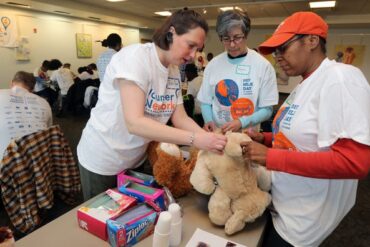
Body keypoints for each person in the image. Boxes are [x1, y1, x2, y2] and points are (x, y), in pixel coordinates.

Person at [242, 12, 370, 247]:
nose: (278, 57)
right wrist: (266, 137)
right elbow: (306, 137)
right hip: (282, 202)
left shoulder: (341, 78)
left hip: (302, 222)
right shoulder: (305, 84)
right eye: (275, 52)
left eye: (283, 48)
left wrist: (270, 157)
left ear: (312, 41)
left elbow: (355, 162)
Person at [77, 8, 227, 201]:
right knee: (102, 219)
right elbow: (135, 122)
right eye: (190, 45)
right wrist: (194, 139)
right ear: (171, 33)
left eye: (198, 48)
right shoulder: (135, 59)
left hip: (135, 158)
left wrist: (207, 139)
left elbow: (180, 118)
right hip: (104, 157)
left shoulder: (173, 69)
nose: (193, 55)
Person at [197, 9, 278, 134]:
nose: (232, 44)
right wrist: (208, 121)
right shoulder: (213, 65)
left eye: (237, 38)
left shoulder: (263, 66)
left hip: (248, 135)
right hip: (218, 133)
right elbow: (206, 102)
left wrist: (242, 122)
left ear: (246, 34)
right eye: (226, 39)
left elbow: (267, 109)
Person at [0, 71, 52, 161]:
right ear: (32, 89)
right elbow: (48, 129)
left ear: (11, 83)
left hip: (5, 164)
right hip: (39, 160)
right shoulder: (44, 102)